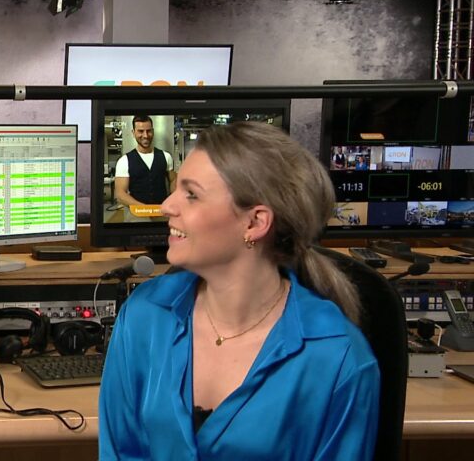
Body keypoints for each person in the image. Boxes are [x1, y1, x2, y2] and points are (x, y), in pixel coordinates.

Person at [99, 122, 379, 460]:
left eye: (191, 194)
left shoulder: (338, 356)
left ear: (255, 222)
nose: (167, 206)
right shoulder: (144, 314)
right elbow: (121, 452)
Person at [113, 116, 176, 217]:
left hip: (162, 213)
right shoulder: (124, 161)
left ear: (153, 132)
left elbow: (173, 180)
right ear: (133, 133)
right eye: (141, 131)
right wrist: (145, 209)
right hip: (136, 215)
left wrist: (173, 199)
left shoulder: (166, 156)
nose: (145, 135)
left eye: (148, 131)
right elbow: (120, 194)